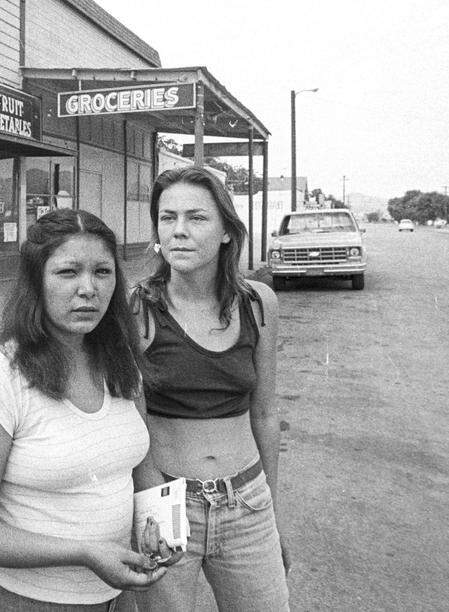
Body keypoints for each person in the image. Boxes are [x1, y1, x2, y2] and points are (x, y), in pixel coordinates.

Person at [0, 208, 168, 611]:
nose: (88, 289)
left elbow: (142, 462)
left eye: (102, 272)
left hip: (119, 598)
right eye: (68, 272)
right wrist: (84, 552)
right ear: (36, 283)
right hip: (33, 601)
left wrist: (163, 530)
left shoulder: (120, 362)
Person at [132, 166, 290, 612]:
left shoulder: (259, 304)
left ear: (226, 231)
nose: (178, 231)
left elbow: (264, 413)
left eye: (196, 218)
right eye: (168, 218)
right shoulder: (137, 309)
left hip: (247, 501)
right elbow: (131, 420)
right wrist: (153, 510)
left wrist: (273, 515)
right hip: (166, 498)